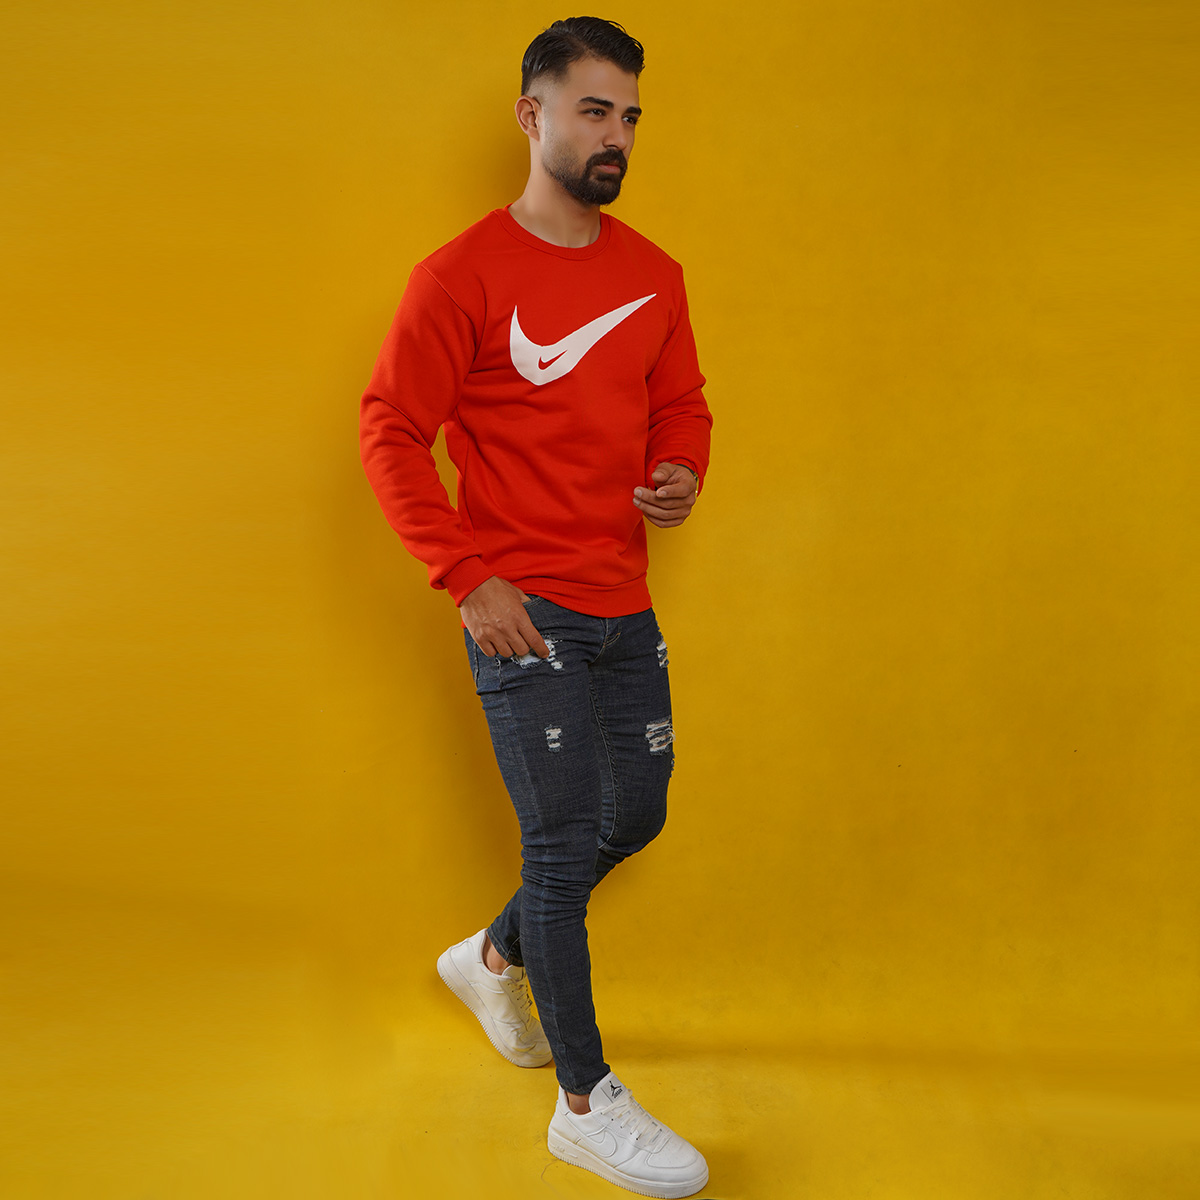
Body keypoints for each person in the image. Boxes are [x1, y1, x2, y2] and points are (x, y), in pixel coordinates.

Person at [359, 17, 712, 1199]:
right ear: (533, 115)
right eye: (593, 110)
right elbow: (390, 430)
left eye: (629, 117)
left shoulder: (654, 274)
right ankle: (585, 1104)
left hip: (623, 596)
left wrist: (681, 468)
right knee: (561, 845)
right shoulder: (460, 275)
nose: (616, 136)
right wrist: (467, 576)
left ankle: (494, 955)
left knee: (637, 813)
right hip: (521, 607)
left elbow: (682, 404)